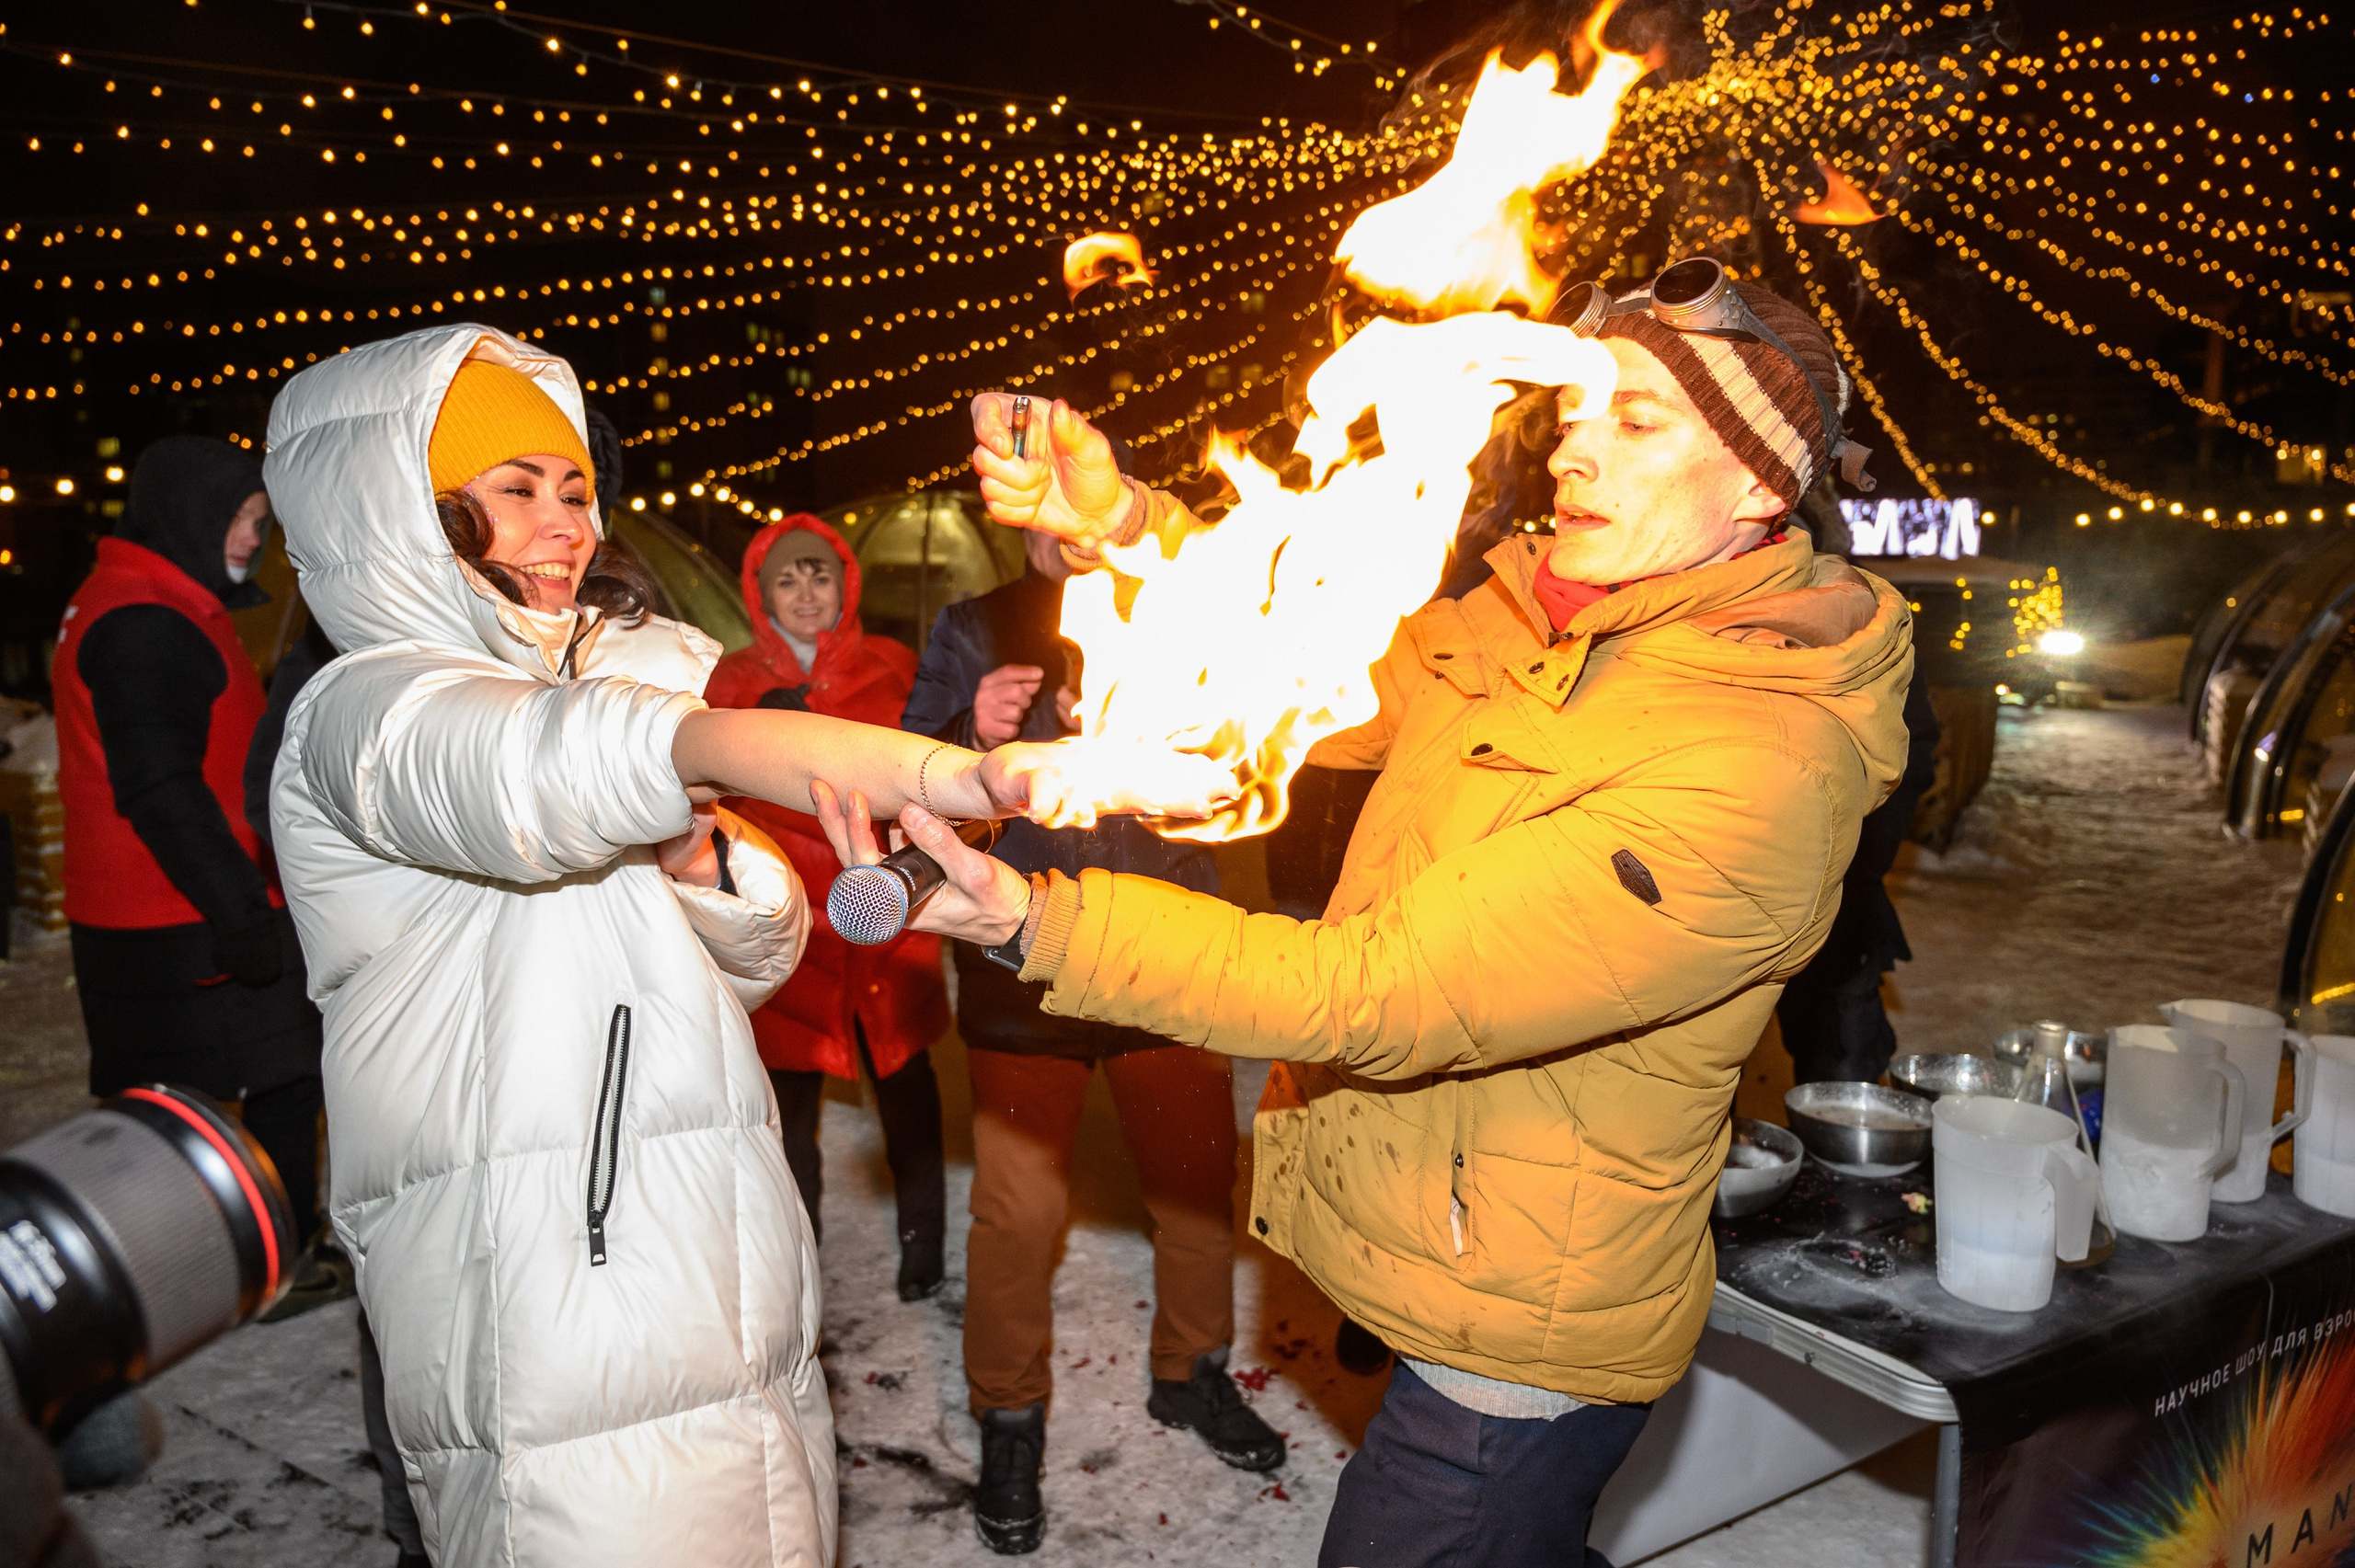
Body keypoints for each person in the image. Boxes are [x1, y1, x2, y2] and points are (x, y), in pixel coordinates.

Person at [824, 270, 1915, 1568]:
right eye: (1577, 410)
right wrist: (1120, 523)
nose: (1576, 445)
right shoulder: (1534, 618)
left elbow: (1376, 989)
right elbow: (1303, 665)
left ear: (1757, 486)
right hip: (1438, 1252)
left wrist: (1033, 919)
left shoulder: (1757, 753)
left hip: (1520, 1343)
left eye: (1636, 423)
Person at [260, 324, 1039, 1568]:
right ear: (407, 513)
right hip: (545, 1295)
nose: (565, 522)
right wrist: (727, 746)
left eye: (575, 489)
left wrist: (707, 864)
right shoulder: (361, 711)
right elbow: (522, 767)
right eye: (514, 492)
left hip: (715, 1250)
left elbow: (760, 949)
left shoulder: (598, 685)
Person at [900, 498, 1285, 1554]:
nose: (1063, 525)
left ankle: (1192, 1375)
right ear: (1014, 520)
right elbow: (907, 777)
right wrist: (964, 734)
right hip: (1025, 962)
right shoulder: (974, 627)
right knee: (1019, 1216)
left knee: (1197, 1185)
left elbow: (1244, 767)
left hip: (1166, 949)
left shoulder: (1181, 609)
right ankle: (1010, 1417)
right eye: (1039, 509)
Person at [52, 436, 336, 1303]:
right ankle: (273, 1264)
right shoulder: (147, 626)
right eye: (244, 521)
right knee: (273, 1082)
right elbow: (160, 788)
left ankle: (214, 1262)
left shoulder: (133, 599)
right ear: (193, 515)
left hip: (146, 915)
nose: (253, 540)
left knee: (188, 1101)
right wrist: (242, 909)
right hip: (182, 918)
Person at [706, 515, 951, 1301]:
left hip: (885, 919)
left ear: (843, 582)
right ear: (760, 593)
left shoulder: (894, 666)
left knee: (908, 1094)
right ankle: (798, 1255)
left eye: (818, 573)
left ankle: (924, 1246)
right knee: (789, 1116)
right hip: (789, 930)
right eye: (787, 578)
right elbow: (707, 799)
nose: (806, 591)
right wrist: (760, 737)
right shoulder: (731, 684)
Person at [1775, 676, 1940, 1084]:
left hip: (1837, 895)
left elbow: (1908, 748)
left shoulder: (1869, 624)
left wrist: (1856, 863)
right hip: (1709, 895)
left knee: (1839, 1065)